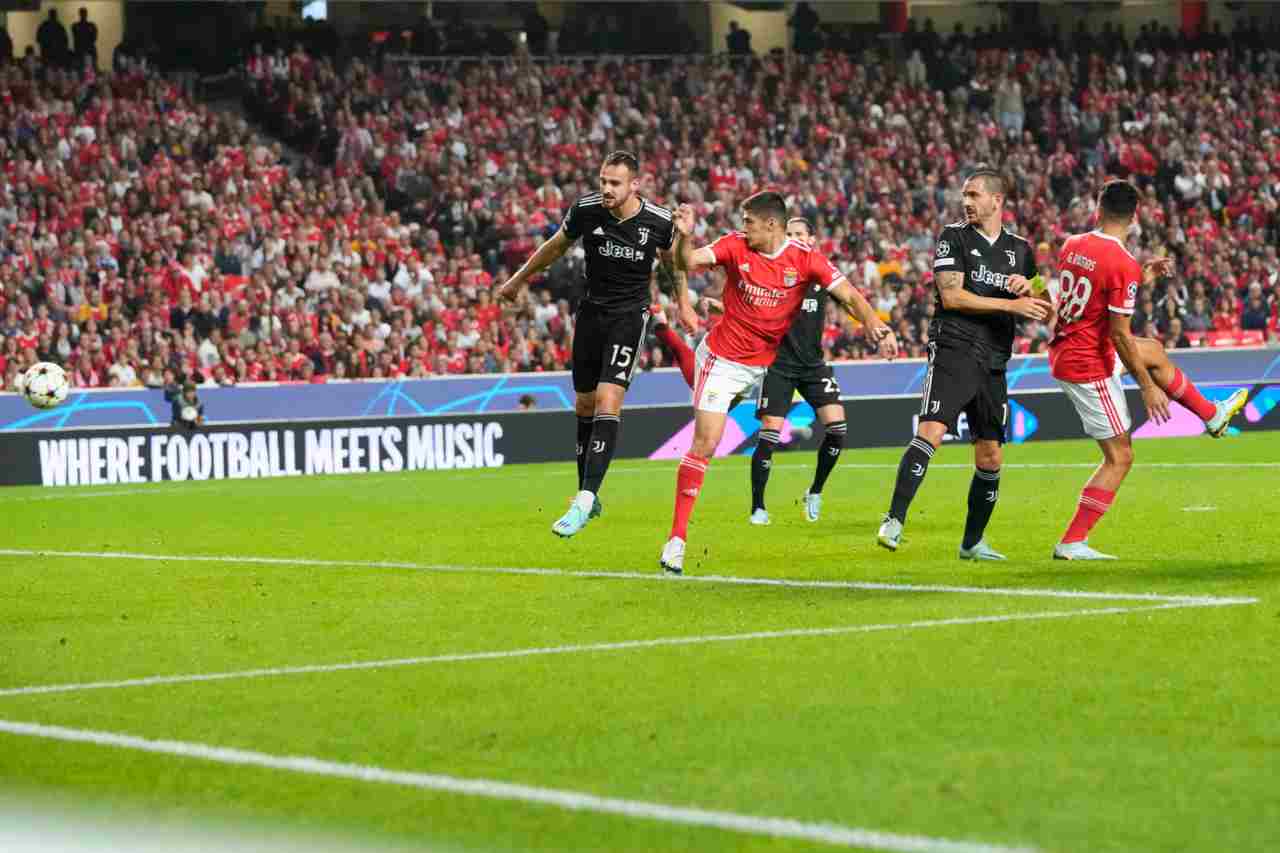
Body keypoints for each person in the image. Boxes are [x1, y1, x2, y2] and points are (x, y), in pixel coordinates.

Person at [662, 191, 897, 574]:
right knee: (706, 442)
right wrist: (685, 236)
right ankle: (677, 540)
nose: (743, 228)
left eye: (749, 221)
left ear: (771, 224)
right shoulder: (734, 246)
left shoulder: (805, 259)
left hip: (764, 365)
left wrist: (876, 325)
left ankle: (672, 345)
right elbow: (686, 261)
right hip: (723, 360)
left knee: (713, 405)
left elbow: (850, 295)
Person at [497, 151, 695, 538]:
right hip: (590, 315)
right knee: (584, 404)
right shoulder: (587, 210)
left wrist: (684, 304)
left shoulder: (657, 220)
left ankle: (585, 499)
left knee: (608, 400)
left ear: (634, 185)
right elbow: (555, 246)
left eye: (614, 183)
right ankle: (586, 493)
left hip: (630, 316)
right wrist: (518, 280)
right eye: (603, 180)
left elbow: (673, 265)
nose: (606, 188)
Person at [1047, 180, 1248, 560]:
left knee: (1153, 351)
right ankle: (1071, 542)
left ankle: (1213, 415)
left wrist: (1142, 276)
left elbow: (1099, 286)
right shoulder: (1121, 263)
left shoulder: (1072, 244)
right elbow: (1119, 334)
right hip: (1088, 364)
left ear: (1098, 208)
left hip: (1072, 348)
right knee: (1120, 457)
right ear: (1135, 216)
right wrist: (1147, 387)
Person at [877, 167, 1051, 559]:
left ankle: (972, 543)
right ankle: (894, 520)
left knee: (991, 455)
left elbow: (1045, 303)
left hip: (994, 358)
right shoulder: (953, 237)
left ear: (997, 200)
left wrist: (1031, 287)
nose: (966, 202)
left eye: (974, 195)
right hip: (954, 347)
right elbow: (952, 296)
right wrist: (1010, 304)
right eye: (965, 195)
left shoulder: (1021, 249)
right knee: (932, 430)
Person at [750, 217, 863, 525]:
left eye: (799, 233)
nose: (794, 238)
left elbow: (849, 300)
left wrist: (869, 324)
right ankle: (758, 507)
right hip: (779, 365)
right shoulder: (772, 270)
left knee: (837, 430)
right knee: (769, 435)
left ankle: (815, 491)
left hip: (813, 364)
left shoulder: (821, 271)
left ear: (812, 239)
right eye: (789, 233)